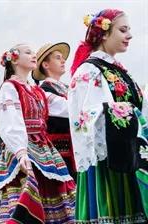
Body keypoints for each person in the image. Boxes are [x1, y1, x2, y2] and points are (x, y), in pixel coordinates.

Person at [69, 9, 148, 223]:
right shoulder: (89, 71)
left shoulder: (117, 69)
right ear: (104, 34)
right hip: (105, 162)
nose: (129, 36)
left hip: (127, 155)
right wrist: (130, 113)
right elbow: (89, 116)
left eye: (129, 30)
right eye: (123, 30)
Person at [0, 44, 76, 224]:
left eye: (33, 52)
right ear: (14, 58)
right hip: (23, 148)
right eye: (28, 52)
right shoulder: (10, 87)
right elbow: (11, 120)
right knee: (26, 197)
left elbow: (67, 107)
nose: (33, 55)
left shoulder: (38, 91)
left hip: (44, 149)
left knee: (55, 196)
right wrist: (21, 151)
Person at [32, 42, 76, 178]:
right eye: (58, 57)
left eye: (63, 58)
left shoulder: (66, 87)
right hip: (59, 153)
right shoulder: (43, 91)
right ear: (46, 65)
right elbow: (69, 109)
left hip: (74, 151)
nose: (63, 61)